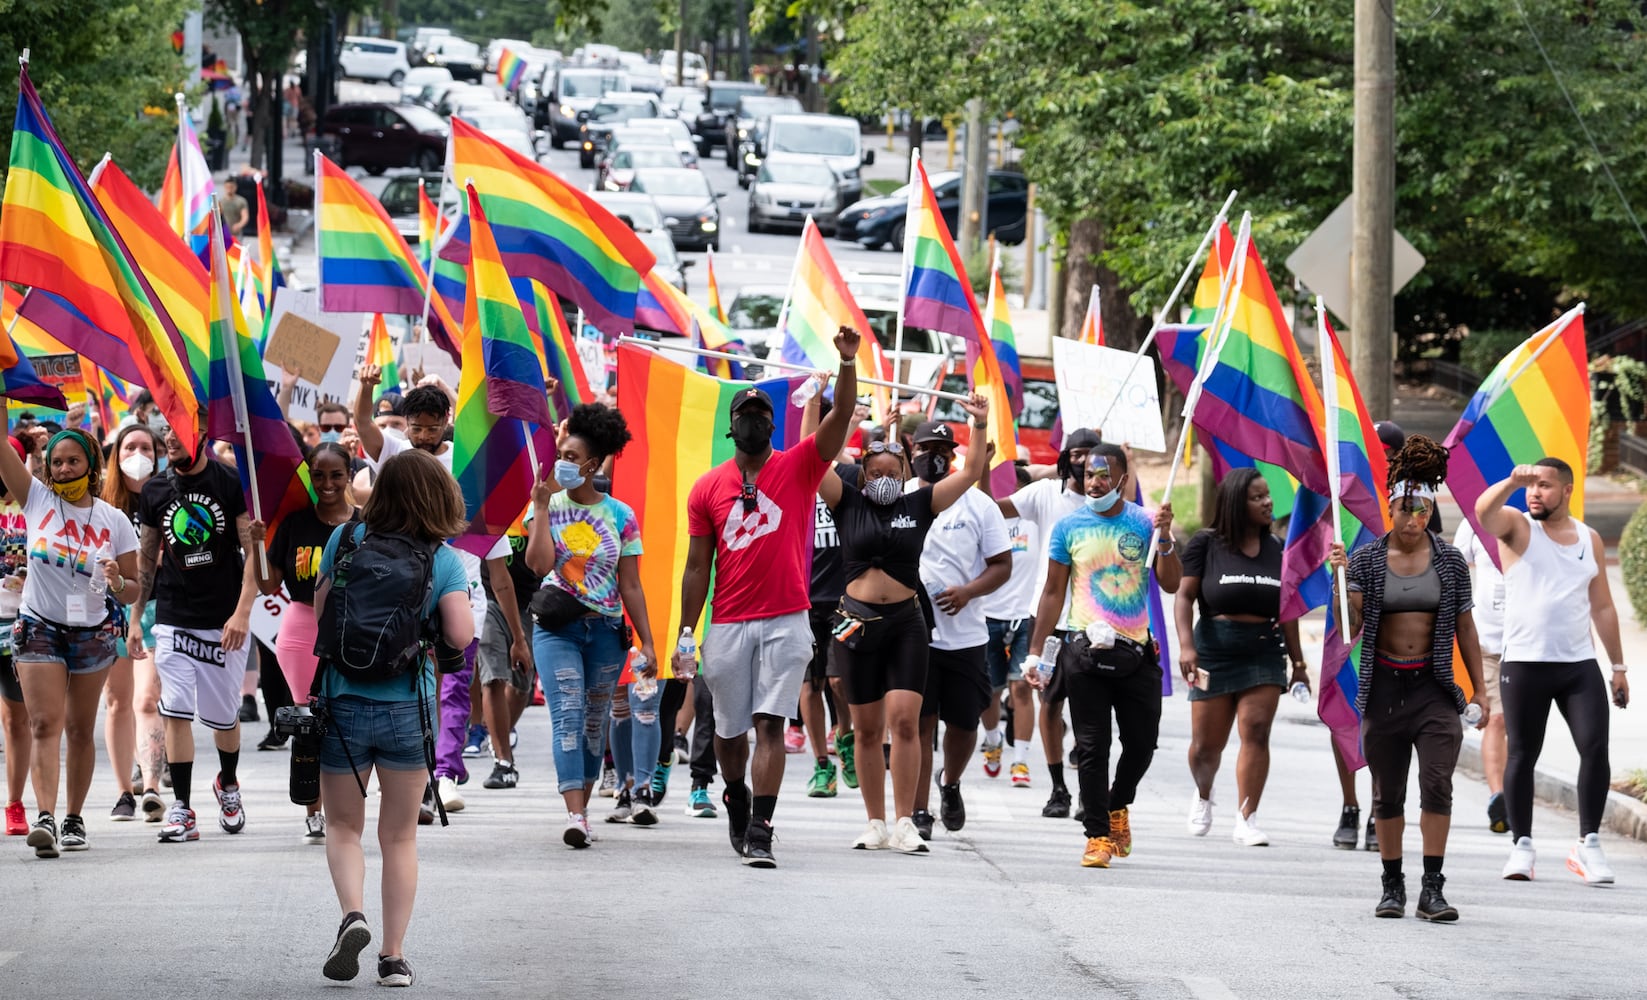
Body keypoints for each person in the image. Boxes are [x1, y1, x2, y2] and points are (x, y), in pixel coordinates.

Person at [676, 328, 859, 867]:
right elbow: (695, 567)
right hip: (728, 623)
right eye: (744, 414)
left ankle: (761, 828)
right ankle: (737, 799)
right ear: (731, 426)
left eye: (761, 414)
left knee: (769, 725)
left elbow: (842, 415)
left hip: (787, 620)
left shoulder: (801, 465)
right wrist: (688, 633)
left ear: (772, 424)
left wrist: (846, 364)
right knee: (729, 736)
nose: (752, 421)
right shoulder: (707, 488)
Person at [314, 450, 474, 988]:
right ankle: (392, 957)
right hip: (409, 706)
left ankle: (352, 915)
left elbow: (321, 618)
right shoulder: (443, 559)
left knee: (341, 825)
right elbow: (459, 637)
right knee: (399, 837)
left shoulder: (345, 540)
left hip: (342, 705)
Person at [815, 397, 993, 851]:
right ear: (863, 473)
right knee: (868, 728)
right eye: (875, 472)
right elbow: (813, 457)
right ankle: (874, 822)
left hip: (906, 625)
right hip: (855, 625)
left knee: (906, 723)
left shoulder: (921, 502)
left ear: (904, 472)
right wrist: (814, 403)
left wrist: (979, 422)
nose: (883, 480)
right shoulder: (847, 500)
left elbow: (971, 472)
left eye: (892, 473)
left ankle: (906, 821)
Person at [1330, 435, 1487, 920]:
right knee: (1387, 792)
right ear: (1391, 507)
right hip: (1383, 690)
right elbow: (1351, 628)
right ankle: (1392, 884)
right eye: (1406, 508)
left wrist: (1480, 689)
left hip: (1434, 688)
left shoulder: (1449, 561)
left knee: (1438, 785)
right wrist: (1341, 582)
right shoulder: (1367, 560)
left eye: (1423, 509)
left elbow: (1464, 625)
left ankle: (1432, 888)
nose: (1414, 519)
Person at [1026, 444, 1179, 869]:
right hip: (1084, 653)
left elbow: (1170, 584)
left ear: (1123, 479)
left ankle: (1117, 806)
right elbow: (1054, 592)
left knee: (1142, 744)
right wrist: (1037, 651)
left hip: (1137, 654)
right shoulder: (1068, 527)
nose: (1095, 482)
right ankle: (1096, 836)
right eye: (1090, 474)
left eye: (1104, 474)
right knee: (1093, 747)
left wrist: (1164, 538)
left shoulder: (1146, 523)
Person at [1477, 458, 1629, 885]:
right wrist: (1511, 480)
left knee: (1595, 748)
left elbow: (1602, 605)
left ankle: (1588, 844)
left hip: (1578, 665)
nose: (1534, 493)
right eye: (1531, 486)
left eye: (1543, 485)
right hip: (1525, 661)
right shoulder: (1518, 527)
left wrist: (1617, 666)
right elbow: (1483, 513)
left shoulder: (1589, 538)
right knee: (1523, 753)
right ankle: (1522, 846)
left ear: (1566, 490)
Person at [0, 418, 140, 857]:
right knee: (44, 723)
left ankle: (74, 819)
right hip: (39, 626)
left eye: (72, 461)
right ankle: (45, 817)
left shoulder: (114, 521)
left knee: (80, 729)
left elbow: (135, 587)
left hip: (93, 633)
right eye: (55, 461)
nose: (62, 469)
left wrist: (118, 582)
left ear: (91, 466)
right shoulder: (36, 498)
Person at [351, 374, 487, 816]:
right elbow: (365, 425)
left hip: (452, 580)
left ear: (446, 421)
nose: (424, 436)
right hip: (399, 586)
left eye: (433, 427)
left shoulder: (464, 458)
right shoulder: (394, 451)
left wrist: (449, 388)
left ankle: (441, 772)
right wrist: (368, 389)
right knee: (413, 683)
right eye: (417, 427)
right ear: (405, 425)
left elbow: (484, 422)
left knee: (449, 684)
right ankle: (418, 776)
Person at [525, 404, 659, 846]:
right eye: (560, 453)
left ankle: (581, 803)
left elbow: (632, 586)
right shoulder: (545, 504)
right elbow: (538, 563)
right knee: (567, 712)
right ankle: (576, 814)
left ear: (593, 463)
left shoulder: (621, 515)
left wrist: (649, 643)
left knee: (593, 721)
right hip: (556, 630)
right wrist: (541, 509)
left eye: (571, 456)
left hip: (605, 633)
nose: (562, 462)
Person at [129, 420, 261, 843]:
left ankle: (229, 784)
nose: (169, 438)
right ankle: (183, 809)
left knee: (224, 718)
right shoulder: (153, 491)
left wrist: (242, 613)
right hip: (173, 614)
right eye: (165, 429)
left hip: (223, 618)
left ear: (203, 434)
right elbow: (147, 561)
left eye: (179, 429)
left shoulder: (228, 480)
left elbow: (252, 553)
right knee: (176, 707)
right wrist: (136, 617)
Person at [1175, 468, 1306, 846]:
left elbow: (1289, 610)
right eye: (1258, 497)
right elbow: (1184, 597)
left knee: (1256, 731)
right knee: (1205, 746)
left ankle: (1247, 817)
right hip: (1213, 648)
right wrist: (1187, 646)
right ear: (1236, 503)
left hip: (1264, 648)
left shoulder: (1278, 549)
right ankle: (1203, 795)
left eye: (1268, 496)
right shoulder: (1206, 543)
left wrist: (1298, 664)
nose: (1268, 503)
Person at [249, 443, 358, 844]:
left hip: (351, 632)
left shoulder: (365, 527)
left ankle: (344, 809)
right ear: (310, 477)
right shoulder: (295, 524)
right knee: (309, 723)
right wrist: (257, 544)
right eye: (319, 475)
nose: (327, 484)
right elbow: (267, 584)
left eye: (336, 475)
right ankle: (313, 810)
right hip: (299, 632)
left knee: (346, 720)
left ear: (349, 475)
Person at [907, 420, 1011, 840]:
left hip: (966, 636)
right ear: (912, 451)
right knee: (920, 724)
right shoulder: (900, 497)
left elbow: (1002, 565)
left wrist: (968, 592)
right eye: (926, 447)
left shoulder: (978, 504)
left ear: (954, 456)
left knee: (965, 724)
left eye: (943, 449)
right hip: (915, 635)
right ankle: (918, 811)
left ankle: (949, 783)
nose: (934, 455)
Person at [996, 428, 1097, 819]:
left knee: (1091, 709)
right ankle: (1058, 788)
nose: (1084, 463)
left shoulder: (1110, 506)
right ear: (1065, 456)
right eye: (1077, 454)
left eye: (1093, 456)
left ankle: (1090, 791)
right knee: (1050, 702)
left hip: (1095, 622)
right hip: (1051, 619)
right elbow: (996, 509)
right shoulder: (1044, 494)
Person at [97, 423, 165, 822]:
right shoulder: (103, 505)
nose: (138, 454)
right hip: (108, 611)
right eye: (129, 447)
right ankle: (125, 791)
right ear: (115, 455)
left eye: (146, 447)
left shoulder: (165, 498)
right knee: (117, 702)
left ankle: (153, 787)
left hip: (155, 610)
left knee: (146, 699)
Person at [980, 464, 1041, 789]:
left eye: (1013, 486)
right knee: (990, 691)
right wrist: (987, 463)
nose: (1008, 494)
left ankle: (1020, 759)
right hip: (987, 615)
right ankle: (993, 740)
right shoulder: (987, 520)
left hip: (1025, 616)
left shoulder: (1036, 520)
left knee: (1021, 688)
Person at [1453, 519, 1509, 834]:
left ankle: (1514, 792)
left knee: (1521, 727)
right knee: (1497, 720)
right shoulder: (1474, 523)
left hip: (1528, 646)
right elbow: (1457, 568)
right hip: (1488, 643)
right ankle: (1498, 797)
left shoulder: (1534, 523)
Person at [474, 527, 535, 791]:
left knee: (522, 685)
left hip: (531, 602)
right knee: (494, 677)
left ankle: (496, 733)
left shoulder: (543, 504)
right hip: (488, 597)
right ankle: (503, 761)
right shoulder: (492, 509)